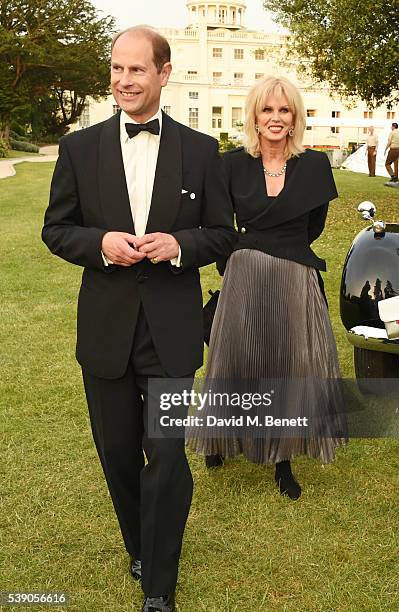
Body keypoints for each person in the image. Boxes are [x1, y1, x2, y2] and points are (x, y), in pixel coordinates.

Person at [42, 26, 235, 612]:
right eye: (116, 70)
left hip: (171, 334)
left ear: (163, 74)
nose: (124, 80)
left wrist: (178, 245)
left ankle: (159, 590)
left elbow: (223, 235)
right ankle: (139, 545)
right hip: (105, 333)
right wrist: (101, 241)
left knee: (169, 457)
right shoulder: (80, 148)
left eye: (136, 70)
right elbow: (56, 229)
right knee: (118, 454)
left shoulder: (202, 152)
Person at [187, 75, 346, 500]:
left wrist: (278, 252)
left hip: (295, 276)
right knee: (235, 362)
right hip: (244, 276)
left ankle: (283, 458)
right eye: (267, 109)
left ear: (295, 118)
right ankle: (219, 440)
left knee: (288, 366)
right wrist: (249, 257)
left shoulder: (313, 166)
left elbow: (313, 228)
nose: (275, 118)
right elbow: (220, 224)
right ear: (254, 117)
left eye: (284, 110)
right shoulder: (230, 164)